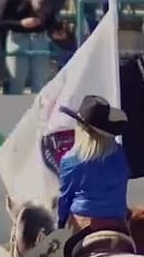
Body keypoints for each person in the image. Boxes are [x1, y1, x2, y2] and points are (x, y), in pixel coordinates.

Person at [56, 94, 131, 233]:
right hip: (118, 224)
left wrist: (60, 223)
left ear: (82, 129)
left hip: (83, 224)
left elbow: (65, 199)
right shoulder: (120, 154)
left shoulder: (71, 160)